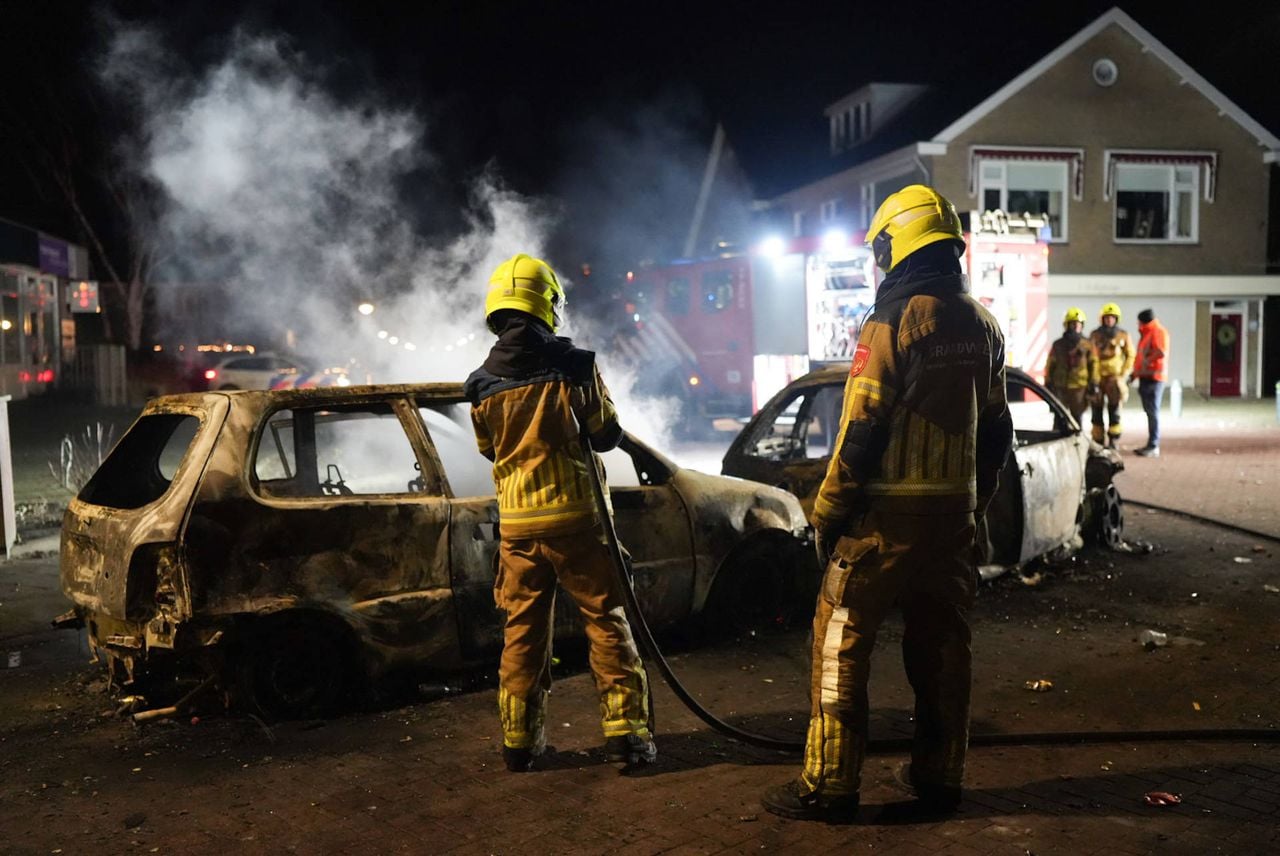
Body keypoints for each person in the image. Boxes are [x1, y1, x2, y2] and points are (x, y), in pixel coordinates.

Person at [760, 186, 1013, 823]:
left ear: (896, 245)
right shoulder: (984, 326)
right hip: (952, 525)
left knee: (839, 646)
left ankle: (829, 784)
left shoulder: (892, 322)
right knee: (944, 649)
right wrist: (972, 506)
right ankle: (940, 776)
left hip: (882, 529)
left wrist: (827, 512)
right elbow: (998, 432)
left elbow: (862, 430)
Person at [464, 253, 656, 772]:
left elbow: (489, 450)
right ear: (548, 305)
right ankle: (628, 737)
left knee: (522, 634)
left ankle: (519, 744)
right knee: (606, 621)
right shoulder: (575, 364)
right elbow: (605, 435)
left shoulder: (479, 384)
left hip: (519, 529)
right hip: (577, 522)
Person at [1088, 303, 1134, 448]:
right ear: (1102, 319)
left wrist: (1124, 373)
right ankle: (1098, 440)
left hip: (1114, 379)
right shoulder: (1094, 335)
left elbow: (1131, 355)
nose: (1109, 320)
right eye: (1106, 318)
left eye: (1112, 318)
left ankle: (1114, 439)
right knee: (1096, 410)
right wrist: (1092, 379)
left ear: (1116, 319)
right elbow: (1091, 357)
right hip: (1098, 379)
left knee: (1114, 410)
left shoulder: (1123, 335)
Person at [1044, 307, 1100, 425]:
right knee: (1059, 417)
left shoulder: (1088, 344)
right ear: (1067, 325)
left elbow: (1094, 364)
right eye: (1073, 324)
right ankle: (1057, 441)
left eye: (1078, 324)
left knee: (1077, 418)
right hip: (1060, 386)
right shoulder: (1058, 344)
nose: (1075, 326)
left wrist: (1094, 383)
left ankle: (1077, 442)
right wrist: (1048, 381)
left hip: (1079, 387)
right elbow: (1050, 363)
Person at [1133, 308, 1169, 457]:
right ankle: (1151, 444)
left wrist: (1147, 362)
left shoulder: (1157, 331)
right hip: (1146, 377)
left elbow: (1160, 351)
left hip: (1154, 378)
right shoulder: (1147, 333)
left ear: (1143, 321)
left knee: (1153, 412)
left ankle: (1154, 445)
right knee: (1150, 412)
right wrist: (1134, 374)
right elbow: (1140, 358)